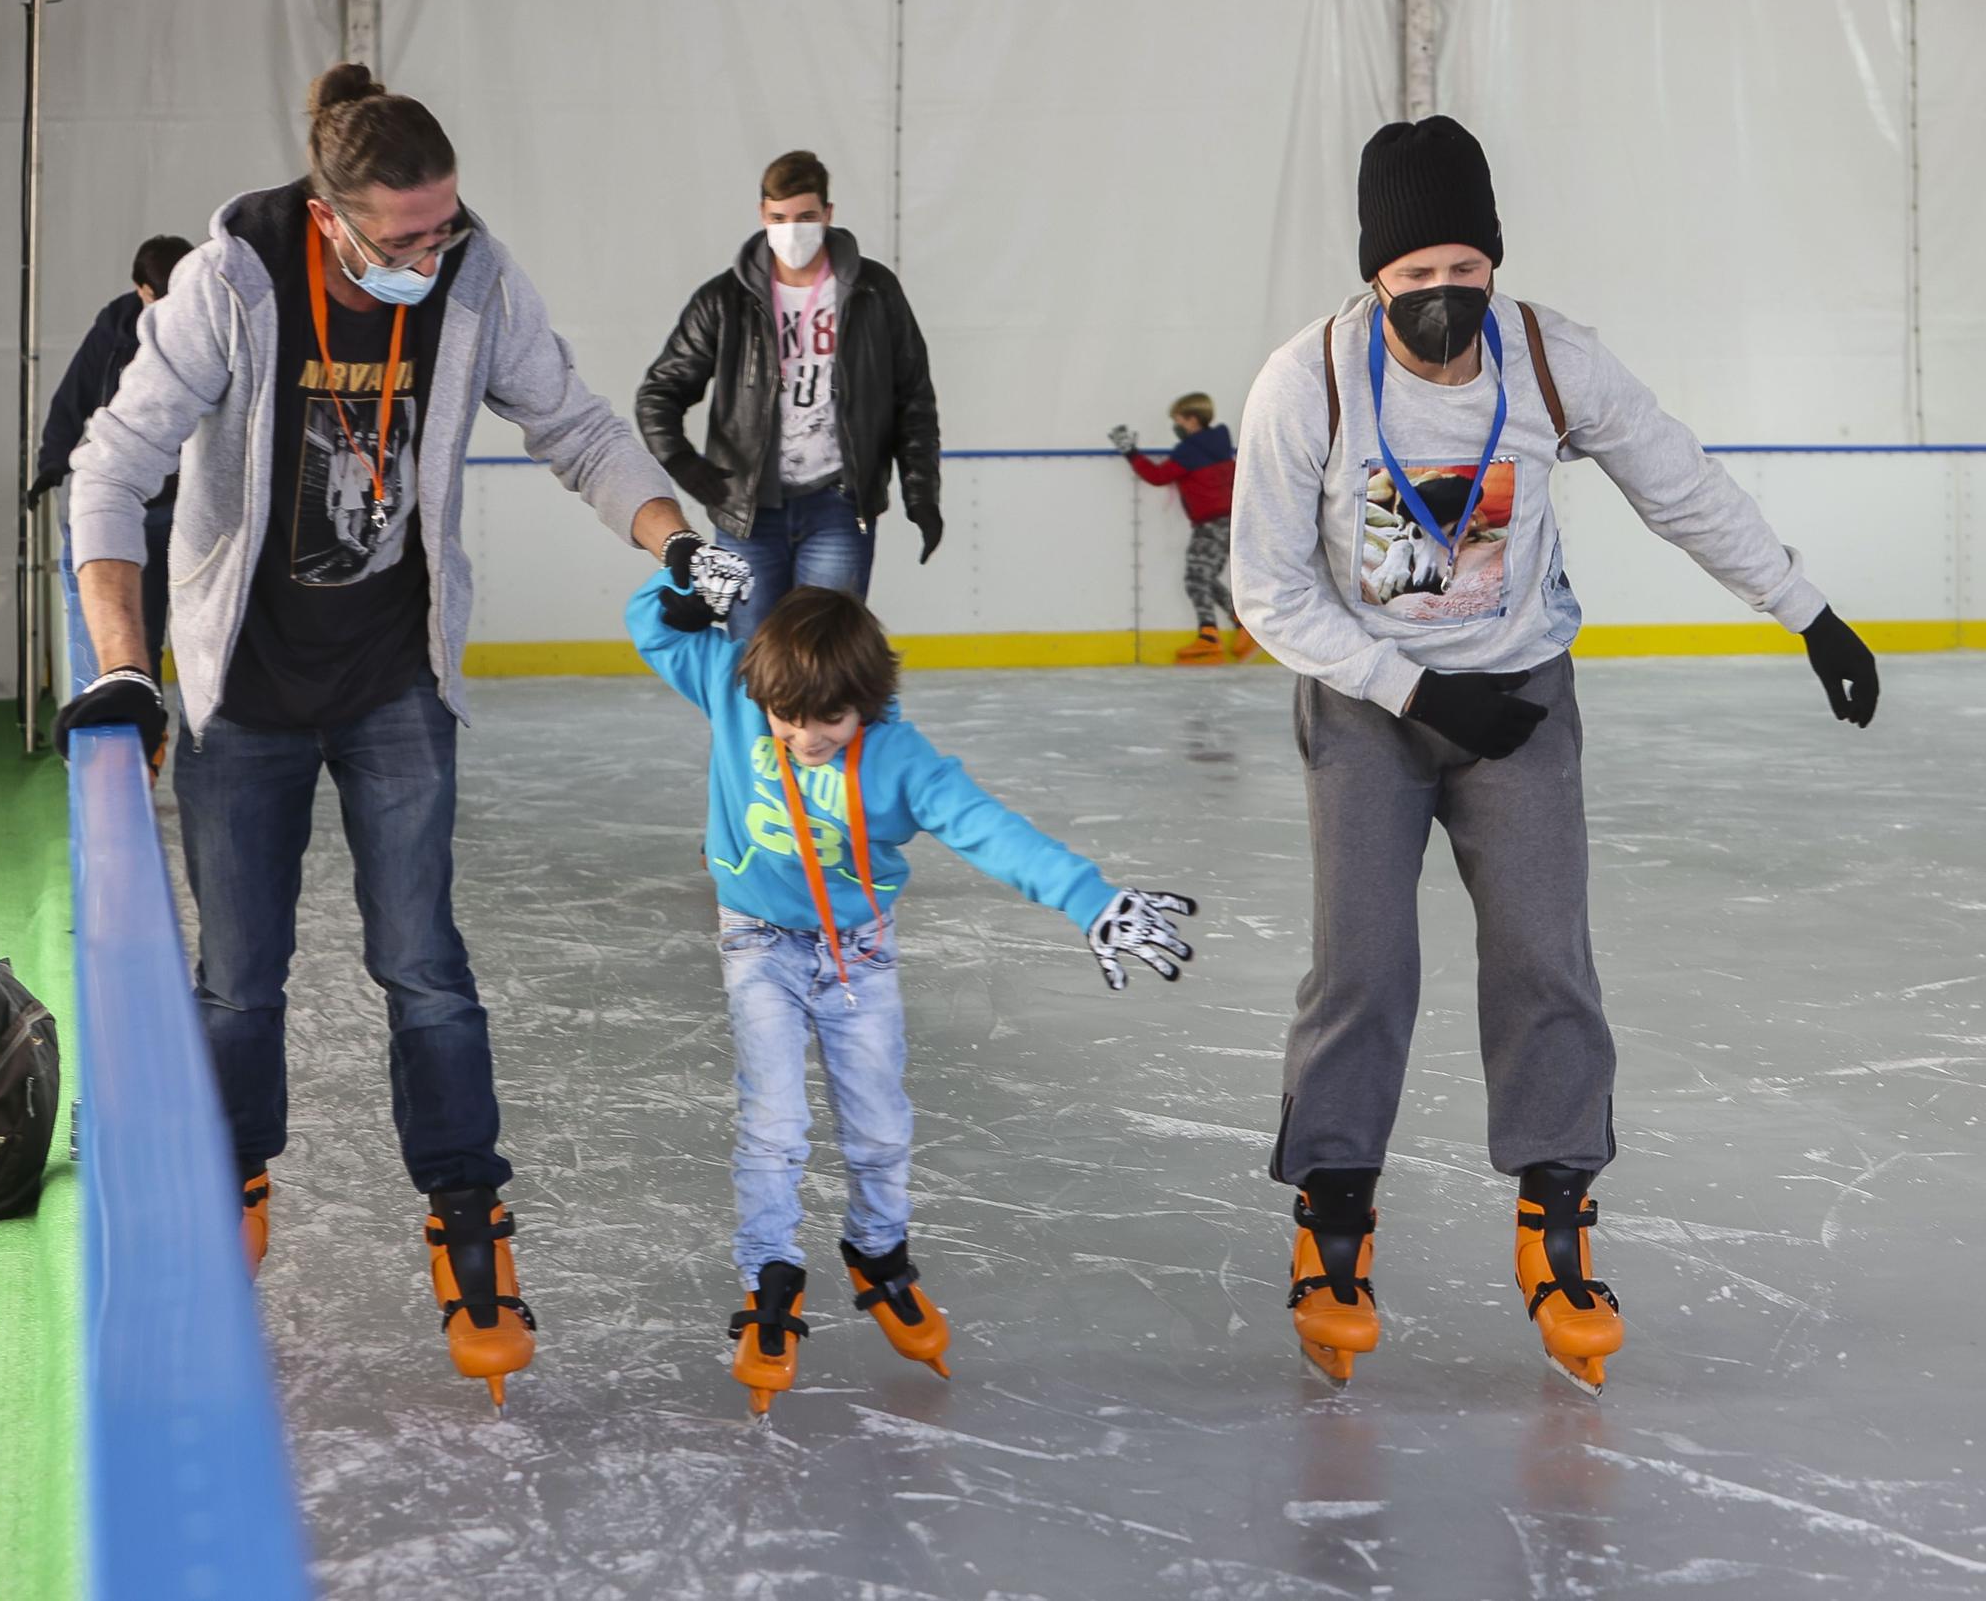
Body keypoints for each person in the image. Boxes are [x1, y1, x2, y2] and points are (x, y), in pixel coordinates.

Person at [54, 63, 716, 1410]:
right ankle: (231, 1177)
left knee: (427, 965)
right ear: (334, 218)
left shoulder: (474, 276)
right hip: (242, 688)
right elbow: (109, 466)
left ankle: (467, 1210)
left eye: (447, 226)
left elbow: (579, 426)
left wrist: (678, 542)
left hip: (393, 681)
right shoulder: (235, 277)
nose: (435, 251)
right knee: (240, 976)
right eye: (407, 237)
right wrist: (125, 666)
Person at [1230, 115, 1878, 1394]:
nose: (1439, 296)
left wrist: (1806, 609)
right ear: (1373, 276)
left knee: (1544, 956)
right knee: (1361, 964)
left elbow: (1678, 483)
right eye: (1412, 276)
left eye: (1460, 268)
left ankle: (1555, 1220)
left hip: (1516, 702)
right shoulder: (1300, 383)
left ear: (1492, 261)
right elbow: (1266, 591)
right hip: (1369, 708)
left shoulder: (1547, 360)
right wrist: (1412, 688)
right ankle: (1334, 1221)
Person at [625, 562, 1196, 1414]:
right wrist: (680, 588)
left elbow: (989, 829)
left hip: (858, 953)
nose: (806, 737)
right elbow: (654, 629)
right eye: (788, 718)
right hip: (758, 944)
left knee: (881, 1123)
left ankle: (879, 1254)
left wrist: (1088, 898)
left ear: (870, 701)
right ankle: (769, 1281)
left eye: (830, 720)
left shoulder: (900, 758)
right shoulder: (738, 686)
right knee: (774, 1121)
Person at [636, 149, 942, 638]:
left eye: (806, 217)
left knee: (824, 660)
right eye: (779, 218)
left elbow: (914, 400)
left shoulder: (873, 291)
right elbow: (659, 392)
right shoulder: (724, 299)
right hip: (748, 514)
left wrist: (922, 492)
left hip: (839, 508)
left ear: (828, 215)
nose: (792, 230)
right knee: (751, 663)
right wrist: (682, 462)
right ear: (762, 214)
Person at [33, 234, 194, 710]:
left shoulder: (204, 323)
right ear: (140, 290)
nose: (170, 308)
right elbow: (75, 396)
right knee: (124, 631)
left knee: (180, 625)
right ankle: (123, 731)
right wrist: (52, 463)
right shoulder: (115, 327)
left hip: (185, 507)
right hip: (129, 507)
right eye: (159, 297)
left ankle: (171, 725)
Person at [1107, 394, 1257, 663]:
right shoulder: (1219, 443)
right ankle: (1237, 623)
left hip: (1211, 523)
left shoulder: (1190, 451)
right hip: (1230, 520)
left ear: (1192, 420)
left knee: (1196, 579)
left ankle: (1211, 636)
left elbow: (1157, 477)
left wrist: (1130, 452)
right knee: (1202, 577)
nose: (1175, 426)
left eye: (1177, 421)